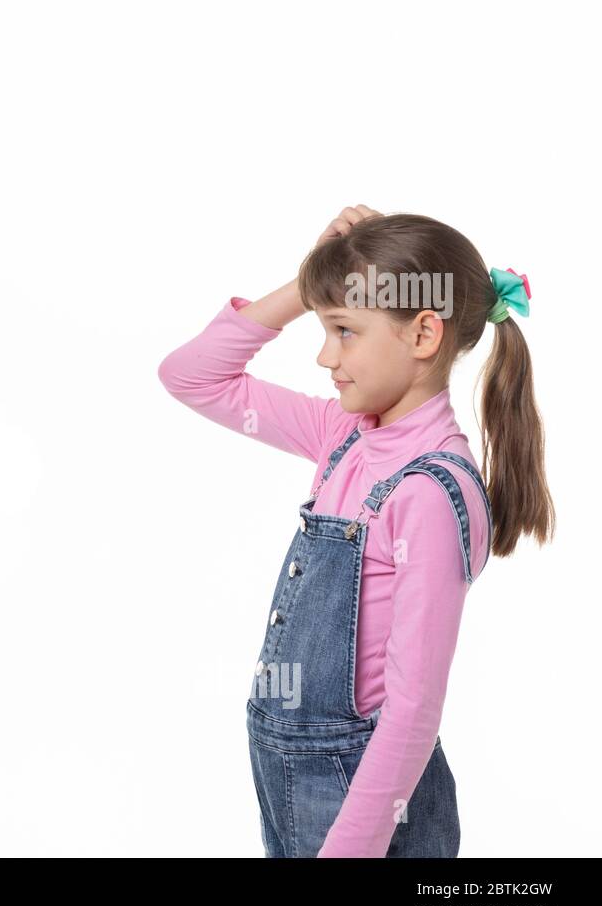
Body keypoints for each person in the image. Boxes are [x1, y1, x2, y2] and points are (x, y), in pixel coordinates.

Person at [156, 205, 555, 856]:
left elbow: (412, 713)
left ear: (424, 335)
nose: (322, 355)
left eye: (343, 331)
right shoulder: (344, 436)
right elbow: (190, 376)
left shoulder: (428, 491)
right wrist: (306, 283)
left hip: (364, 814)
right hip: (293, 782)